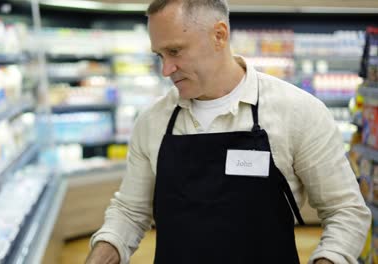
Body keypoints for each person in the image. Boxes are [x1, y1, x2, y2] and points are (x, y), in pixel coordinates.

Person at [85, 0, 371, 263]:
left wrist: (328, 259)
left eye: (174, 51)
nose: (166, 69)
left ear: (219, 35)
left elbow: (345, 211)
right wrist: (101, 254)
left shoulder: (298, 112)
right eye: (159, 55)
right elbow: (130, 213)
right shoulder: (152, 121)